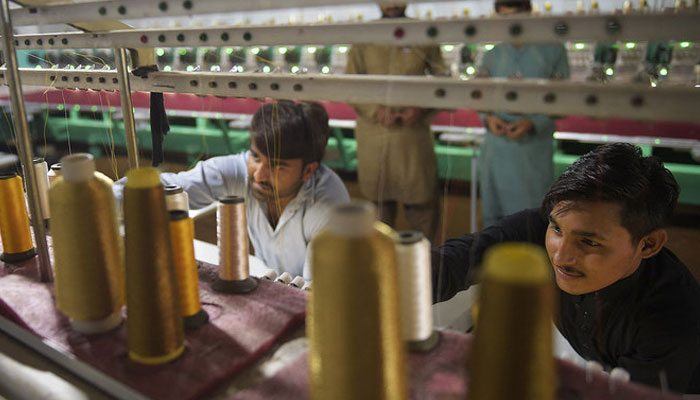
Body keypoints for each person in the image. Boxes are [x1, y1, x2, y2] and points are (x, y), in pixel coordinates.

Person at [431, 143, 700, 394]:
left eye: (589, 242)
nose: (560, 255)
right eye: (557, 228)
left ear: (649, 245)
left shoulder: (673, 318)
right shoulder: (541, 230)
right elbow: (456, 260)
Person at [114, 101, 350, 279]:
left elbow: (316, 292)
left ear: (308, 171)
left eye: (277, 166)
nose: (259, 174)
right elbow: (172, 188)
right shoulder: (240, 171)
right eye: (256, 157)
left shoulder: (329, 208)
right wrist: (103, 200)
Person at [344, 2, 448, 243]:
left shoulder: (424, 33)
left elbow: (442, 80)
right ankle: (381, 274)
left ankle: (427, 272)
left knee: (423, 211)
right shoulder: (365, 36)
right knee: (377, 215)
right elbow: (350, 85)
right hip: (374, 137)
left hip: (412, 138)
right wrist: (375, 110)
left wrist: (420, 106)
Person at [477, 0, 570, 227]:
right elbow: (479, 97)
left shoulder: (552, 50)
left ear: (530, 13)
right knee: (494, 221)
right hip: (495, 148)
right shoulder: (493, 54)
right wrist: (488, 118)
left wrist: (533, 122)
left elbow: (563, 100)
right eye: (504, 17)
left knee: (529, 221)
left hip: (531, 150)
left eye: (517, 15)